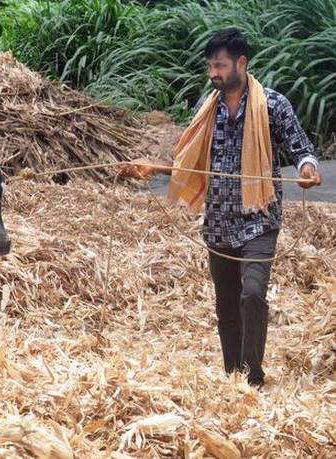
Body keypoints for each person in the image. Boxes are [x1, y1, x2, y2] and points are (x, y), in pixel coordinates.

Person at [122, 28, 322, 387]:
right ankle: (234, 379)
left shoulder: (272, 105)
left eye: (220, 65)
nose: (213, 73)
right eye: (210, 66)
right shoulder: (207, 109)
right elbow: (190, 163)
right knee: (226, 306)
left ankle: (254, 379)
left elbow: (302, 148)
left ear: (241, 63)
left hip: (259, 220)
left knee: (253, 294)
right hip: (217, 223)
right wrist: (154, 167)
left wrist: (308, 168)